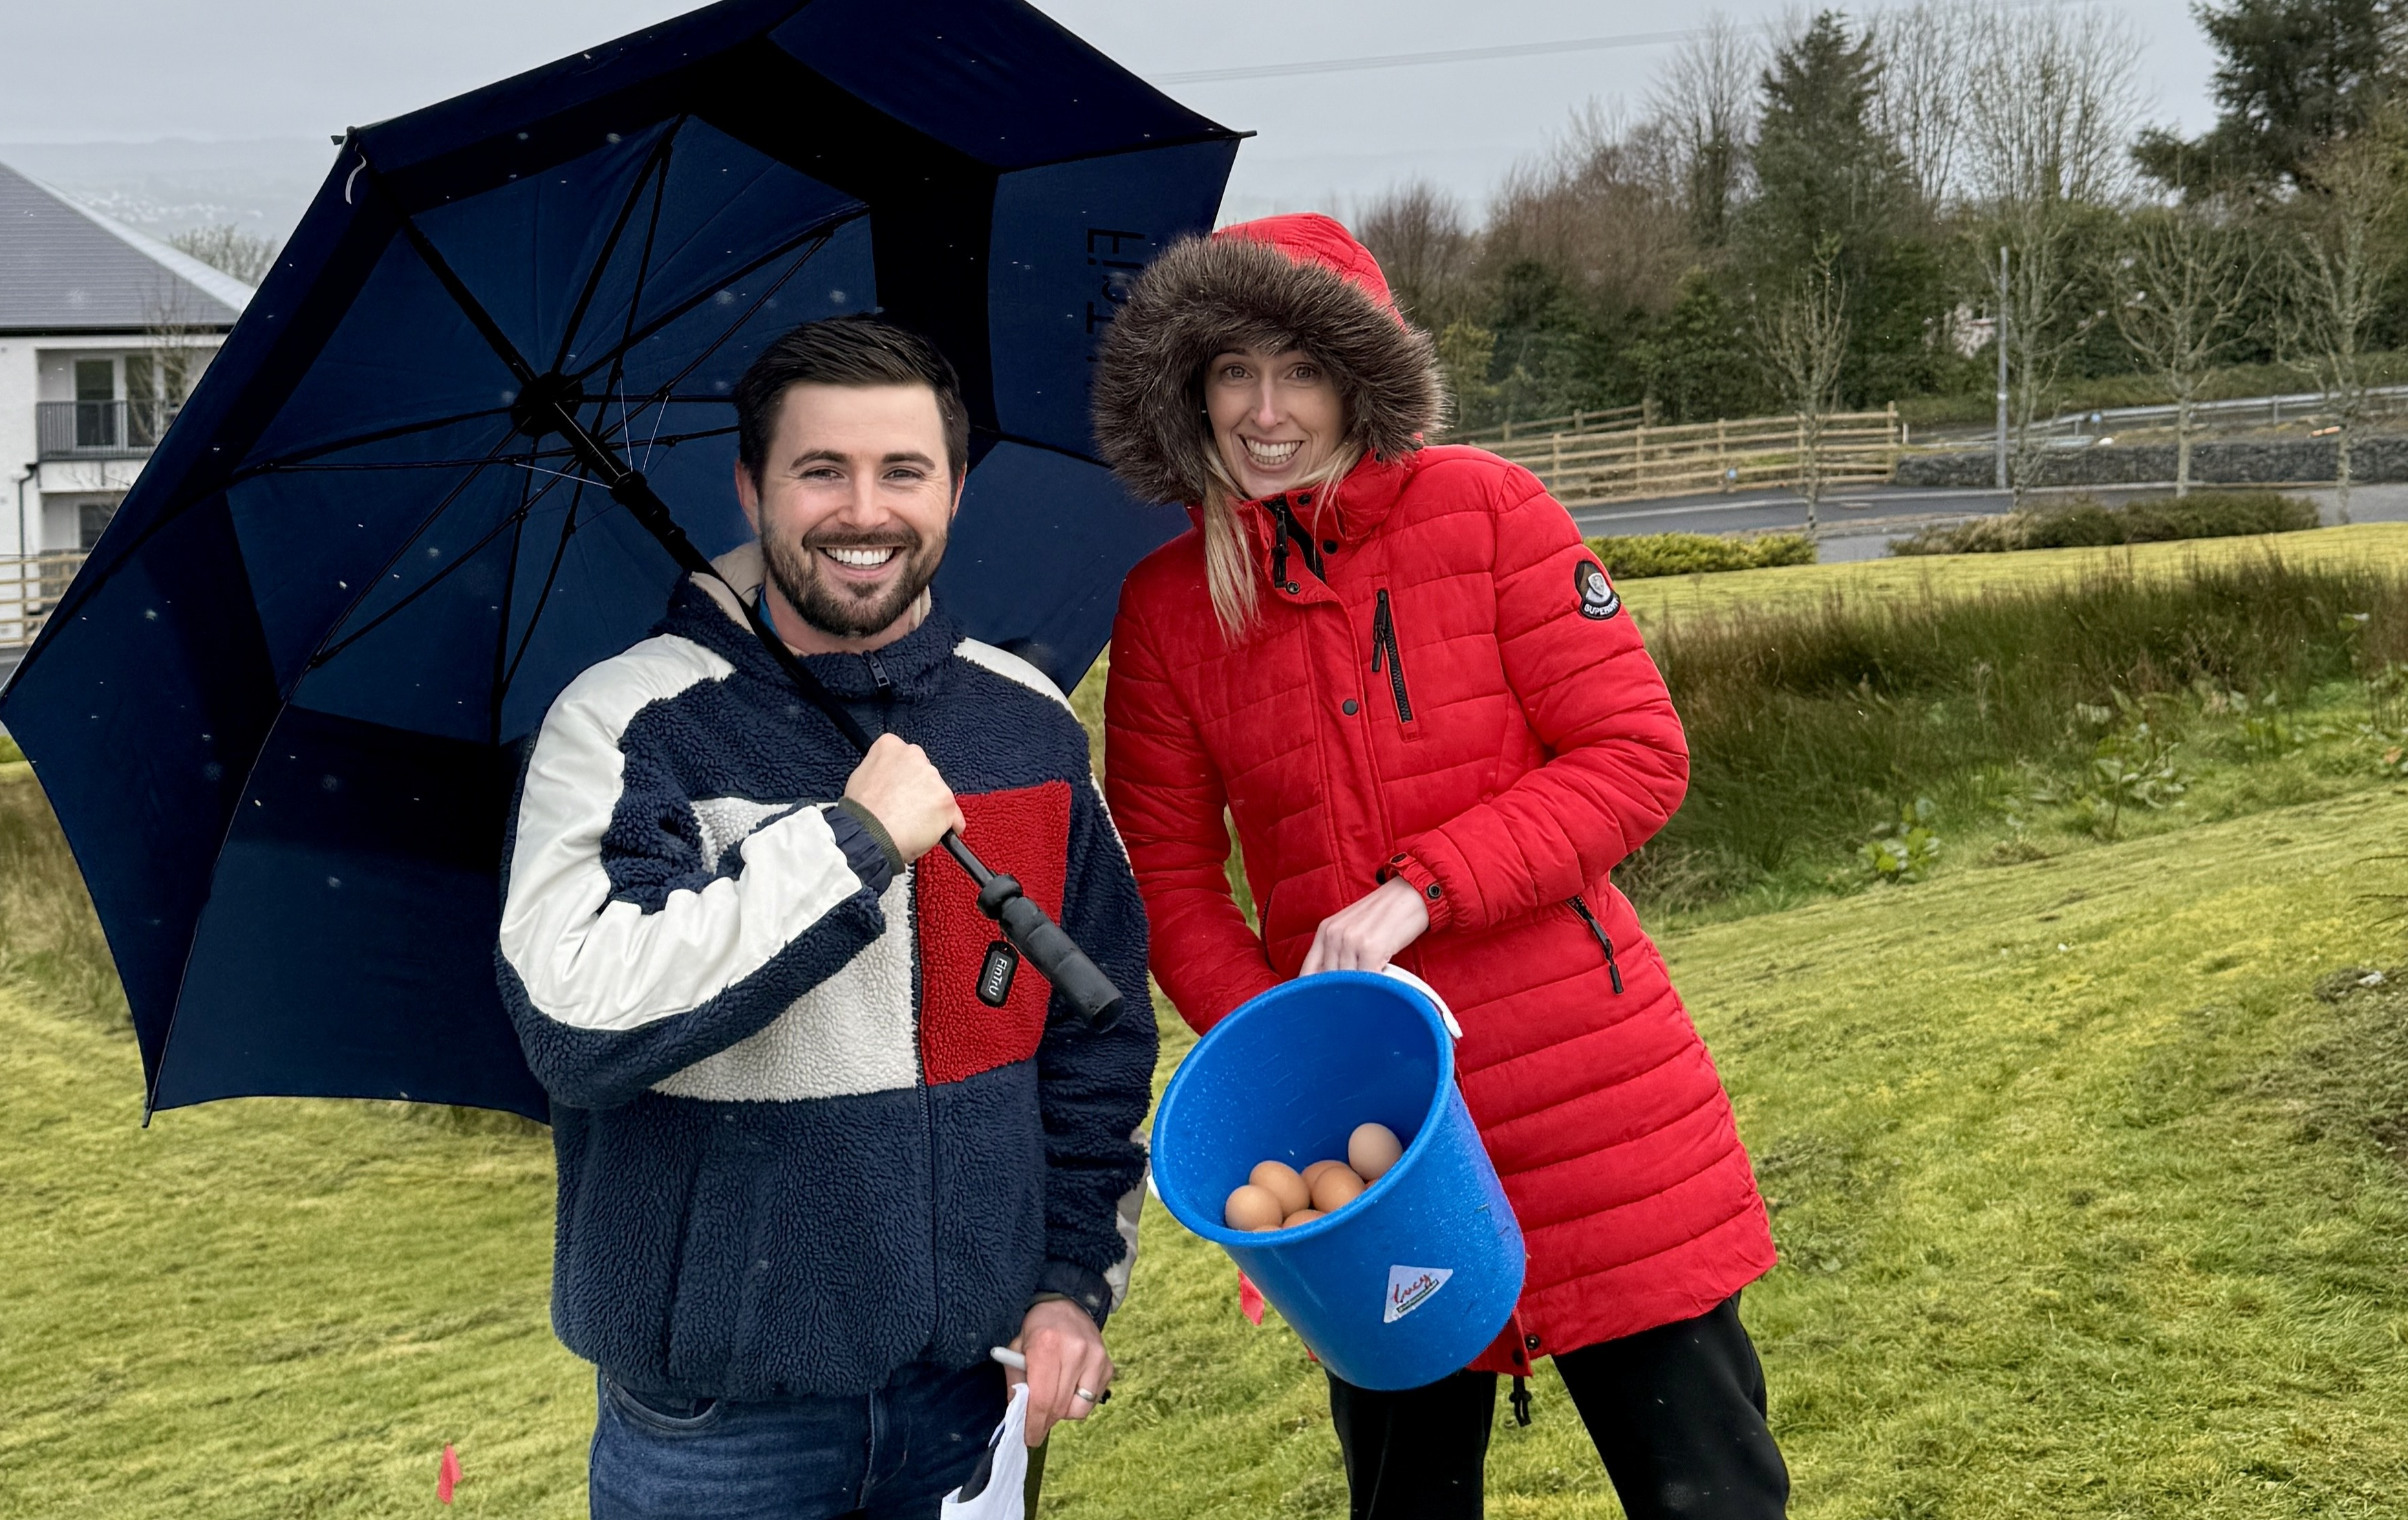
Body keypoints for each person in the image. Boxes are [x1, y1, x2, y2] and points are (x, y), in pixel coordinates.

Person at [1091, 215, 1786, 1520]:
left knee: (1707, 1493)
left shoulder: (1489, 511)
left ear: (1359, 374)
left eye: (1299, 367)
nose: (1266, 408)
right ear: (1192, 391)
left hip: (1593, 1098)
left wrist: (1423, 889)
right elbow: (1173, 881)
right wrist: (1289, 1054)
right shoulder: (1172, 608)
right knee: (1409, 1500)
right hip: (1373, 1138)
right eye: (1233, 372)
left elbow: (1635, 752)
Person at [497, 316, 1155, 1519]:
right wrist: (849, 846)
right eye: (821, 470)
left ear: (955, 488)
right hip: (716, 1432)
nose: (865, 509)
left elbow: (1095, 1046)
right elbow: (572, 1016)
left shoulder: (1029, 726)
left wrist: (1070, 1281)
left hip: (970, 1401)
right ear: (751, 488)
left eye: (903, 471)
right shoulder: (626, 723)